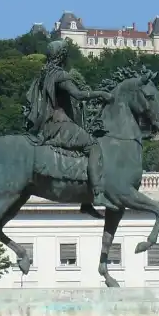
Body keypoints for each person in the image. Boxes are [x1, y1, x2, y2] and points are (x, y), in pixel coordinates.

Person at [23, 39, 114, 216]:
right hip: (59, 124)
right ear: (62, 56)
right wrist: (101, 94)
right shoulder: (60, 75)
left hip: (48, 124)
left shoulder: (44, 74)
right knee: (93, 146)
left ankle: (85, 201)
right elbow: (78, 95)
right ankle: (97, 193)